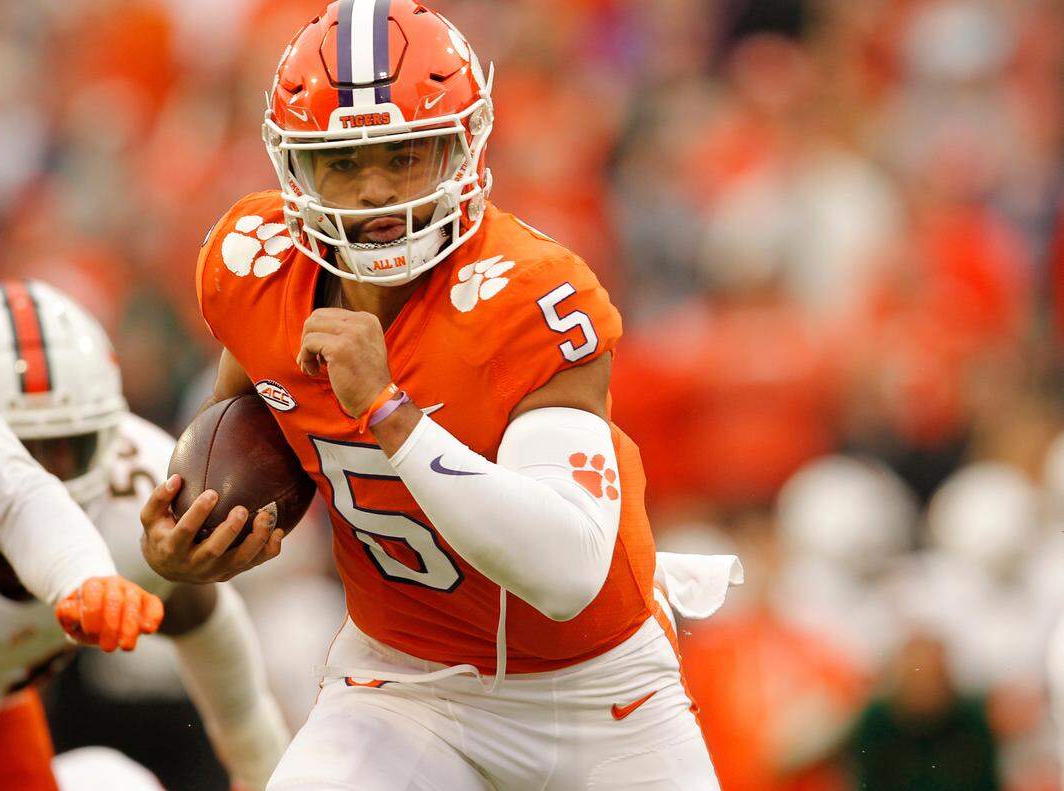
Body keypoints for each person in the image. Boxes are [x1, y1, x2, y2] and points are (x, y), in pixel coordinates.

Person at [141, 2, 736, 788]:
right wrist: (185, 541)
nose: (377, 190)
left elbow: (565, 571)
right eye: (344, 163)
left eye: (407, 153)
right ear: (296, 167)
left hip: (597, 689)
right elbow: (248, 434)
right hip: (403, 682)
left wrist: (389, 411)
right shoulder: (257, 270)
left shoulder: (531, 294)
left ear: (462, 148)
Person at [0, 279, 289, 791]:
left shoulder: (136, 497)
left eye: (69, 447)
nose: (48, 477)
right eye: (20, 450)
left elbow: (203, 620)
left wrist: (258, 769)